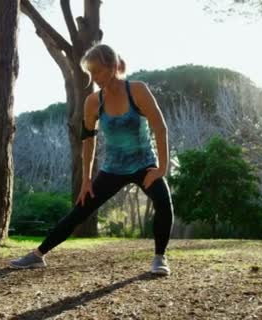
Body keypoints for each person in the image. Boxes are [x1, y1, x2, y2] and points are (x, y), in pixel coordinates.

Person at [10, 43, 174, 276]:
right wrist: (87, 179)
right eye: (90, 72)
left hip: (143, 164)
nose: (94, 77)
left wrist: (162, 168)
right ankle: (37, 255)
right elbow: (88, 140)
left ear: (114, 66)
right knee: (80, 211)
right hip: (113, 169)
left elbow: (160, 128)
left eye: (97, 71)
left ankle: (160, 258)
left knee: (163, 202)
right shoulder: (93, 102)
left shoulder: (137, 90)